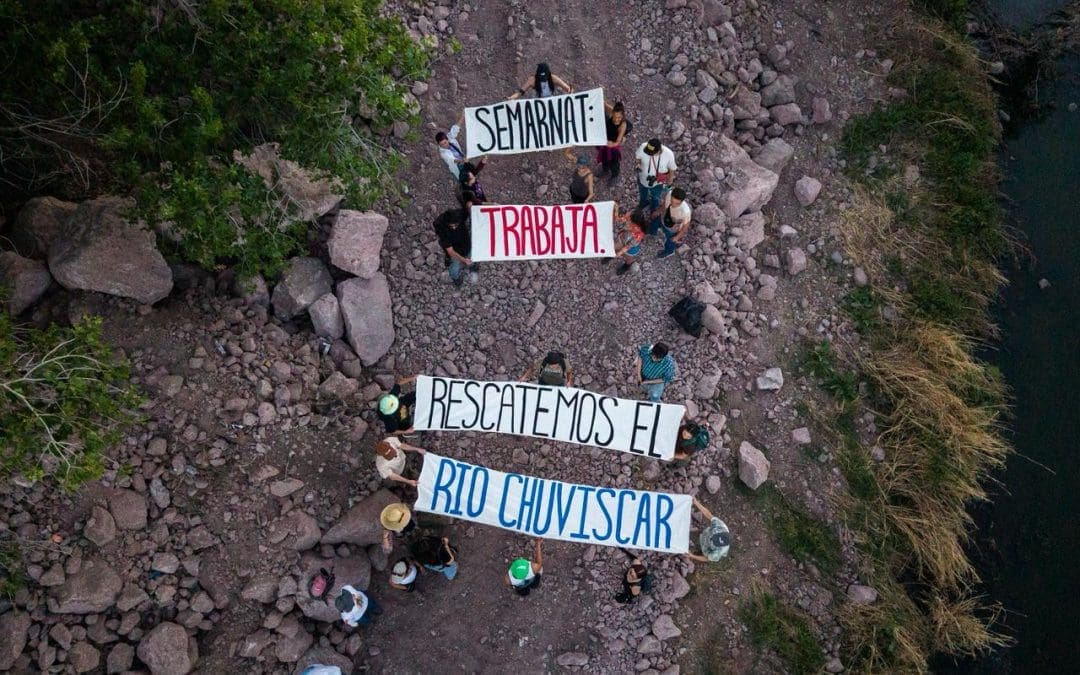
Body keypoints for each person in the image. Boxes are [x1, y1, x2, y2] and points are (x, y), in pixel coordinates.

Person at [433, 207, 478, 287]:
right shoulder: (442, 229)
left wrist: (490, 205)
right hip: (455, 251)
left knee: (473, 256)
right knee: (454, 268)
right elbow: (450, 251)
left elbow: (470, 207)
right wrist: (463, 260)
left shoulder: (460, 214)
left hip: (467, 243)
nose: (454, 228)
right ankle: (456, 279)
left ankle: (473, 266)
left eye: (456, 225)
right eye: (451, 226)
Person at [436, 113, 485, 179]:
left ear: (447, 139)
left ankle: (472, 176)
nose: (444, 145)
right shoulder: (443, 153)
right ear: (439, 144)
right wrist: (462, 160)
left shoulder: (449, 137)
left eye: (445, 142)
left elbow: (456, 128)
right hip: (458, 165)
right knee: (464, 177)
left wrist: (462, 116)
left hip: (462, 158)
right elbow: (452, 160)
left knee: (471, 171)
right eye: (441, 144)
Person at [635, 138, 678, 211]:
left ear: (659, 150)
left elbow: (672, 169)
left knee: (655, 197)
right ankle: (643, 203)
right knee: (643, 193)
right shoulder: (643, 146)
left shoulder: (668, 154)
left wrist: (670, 181)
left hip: (657, 183)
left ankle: (654, 208)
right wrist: (638, 164)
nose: (649, 154)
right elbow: (638, 158)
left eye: (651, 153)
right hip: (642, 178)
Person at [650, 187, 693, 259]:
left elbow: (685, 226)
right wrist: (657, 212)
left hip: (672, 229)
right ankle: (651, 233)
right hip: (663, 218)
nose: (673, 205)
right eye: (672, 201)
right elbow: (665, 204)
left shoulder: (685, 212)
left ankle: (669, 251)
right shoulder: (669, 194)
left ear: (682, 202)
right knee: (654, 224)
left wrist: (677, 237)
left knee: (670, 242)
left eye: (677, 203)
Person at [685, 497, 731, 563]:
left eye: (715, 542)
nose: (712, 539)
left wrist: (692, 556)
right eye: (715, 537)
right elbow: (708, 514)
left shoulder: (719, 552)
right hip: (704, 534)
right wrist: (696, 503)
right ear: (720, 532)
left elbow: (707, 558)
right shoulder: (720, 526)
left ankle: (698, 548)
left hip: (705, 549)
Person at [597, 101, 629, 181]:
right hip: (605, 141)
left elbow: (618, 141)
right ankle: (605, 170)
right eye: (614, 117)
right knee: (604, 158)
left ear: (622, 115)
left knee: (614, 162)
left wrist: (613, 144)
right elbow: (604, 104)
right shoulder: (612, 111)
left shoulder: (623, 124)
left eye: (619, 117)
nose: (616, 119)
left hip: (613, 145)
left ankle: (615, 175)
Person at [610, 208, 647, 276]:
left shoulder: (638, 235)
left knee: (628, 257)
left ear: (635, 224)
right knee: (616, 249)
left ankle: (628, 264)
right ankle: (612, 254)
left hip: (630, 249)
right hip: (623, 239)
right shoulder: (630, 220)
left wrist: (620, 252)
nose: (626, 217)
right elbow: (620, 219)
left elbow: (628, 246)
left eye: (629, 219)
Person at [507, 62, 572, 100]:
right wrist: (511, 98)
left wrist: (569, 90)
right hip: (538, 102)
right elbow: (520, 92)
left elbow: (567, 88)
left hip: (551, 101)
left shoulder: (553, 78)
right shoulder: (532, 80)